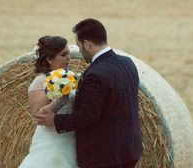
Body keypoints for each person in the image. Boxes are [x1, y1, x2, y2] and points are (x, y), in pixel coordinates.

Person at [34, 18, 143, 168]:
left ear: (87, 44)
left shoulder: (95, 74)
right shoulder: (127, 63)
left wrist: (55, 121)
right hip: (130, 149)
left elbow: (88, 116)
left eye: (79, 46)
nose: (79, 51)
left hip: (105, 156)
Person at [19, 36, 77, 168]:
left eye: (68, 53)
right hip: (52, 143)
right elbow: (39, 116)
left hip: (71, 142)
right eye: (63, 55)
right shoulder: (40, 81)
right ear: (49, 59)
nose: (69, 58)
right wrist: (60, 99)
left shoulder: (70, 77)